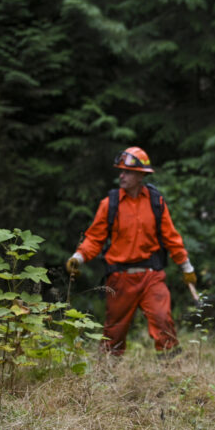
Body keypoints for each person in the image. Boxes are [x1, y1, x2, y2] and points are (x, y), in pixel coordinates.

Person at [65, 147, 196, 356]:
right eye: (121, 171)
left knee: (163, 321)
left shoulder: (156, 202)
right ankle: (107, 377)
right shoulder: (110, 204)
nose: (122, 176)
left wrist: (186, 267)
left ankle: (173, 372)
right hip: (120, 279)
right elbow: (94, 238)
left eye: (127, 171)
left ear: (141, 175)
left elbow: (172, 238)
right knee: (114, 332)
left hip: (152, 276)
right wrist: (78, 258)